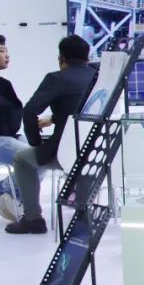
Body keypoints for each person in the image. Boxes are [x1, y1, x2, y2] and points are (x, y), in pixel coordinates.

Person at [6, 35, 96, 235]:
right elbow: (83, 109)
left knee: (21, 158)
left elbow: (30, 111)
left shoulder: (57, 78)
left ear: (62, 58)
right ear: (87, 56)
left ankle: (33, 219)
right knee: (81, 164)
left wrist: (36, 142)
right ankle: (84, 214)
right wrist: (55, 118)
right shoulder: (97, 78)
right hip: (97, 153)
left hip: (67, 153)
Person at [0, 35, 24, 220]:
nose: (7, 55)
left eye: (7, 51)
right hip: (2, 139)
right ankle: (7, 192)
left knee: (43, 157)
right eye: (2, 51)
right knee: (36, 159)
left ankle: (7, 192)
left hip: (10, 136)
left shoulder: (5, 85)